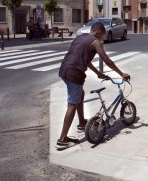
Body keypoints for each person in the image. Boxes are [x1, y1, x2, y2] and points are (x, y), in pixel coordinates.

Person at [56, 22, 130, 150]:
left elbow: (85, 60)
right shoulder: (95, 42)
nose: (102, 38)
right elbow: (107, 60)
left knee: (80, 94)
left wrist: (97, 73)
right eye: (102, 35)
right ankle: (62, 139)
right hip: (74, 73)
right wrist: (121, 73)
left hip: (64, 69)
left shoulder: (80, 37)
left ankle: (81, 123)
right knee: (72, 104)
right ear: (98, 32)